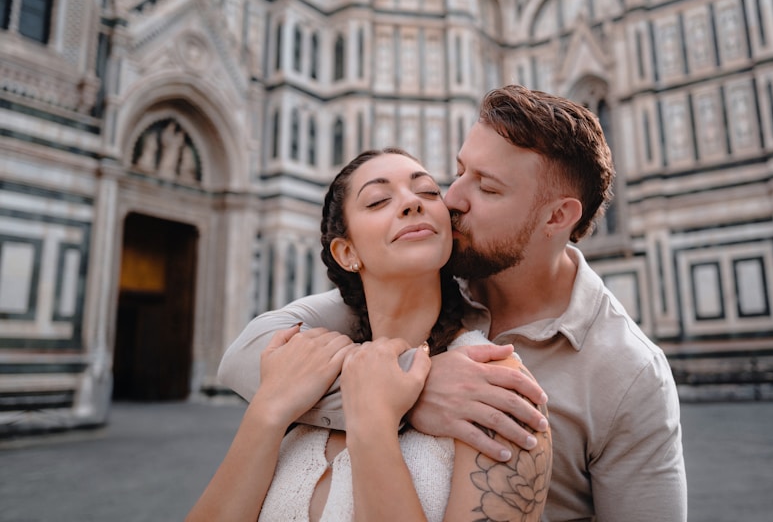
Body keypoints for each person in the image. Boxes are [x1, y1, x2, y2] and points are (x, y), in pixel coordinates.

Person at [219, 85, 687, 521]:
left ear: (557, 216)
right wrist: (413, 390)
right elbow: (244, 356)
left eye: (488, 187)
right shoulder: (425, 278)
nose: (452, 198)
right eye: (460, 171)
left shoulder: (630, 373)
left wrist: (383, 405)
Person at [189, 148, 552, 522]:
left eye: (428, 192)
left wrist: (373, 424)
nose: (411, 203)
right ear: (347, 252)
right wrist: (267, 413)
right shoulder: (306, 369)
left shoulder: (494, 383)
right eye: (378, 200)